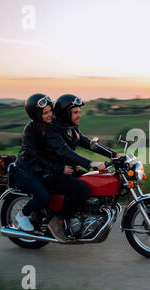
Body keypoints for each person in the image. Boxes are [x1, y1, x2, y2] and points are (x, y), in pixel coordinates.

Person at [41, 94, 115, 242]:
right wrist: (90, 163)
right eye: (75, 112)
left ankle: (82, 216)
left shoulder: (71, 129)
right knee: (82, 189)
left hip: (67, 169)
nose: (79, 115)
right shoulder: (53, 130)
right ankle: (58, 220)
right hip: (50, 172)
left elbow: (89, 144)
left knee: (92, 182)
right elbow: (64, 151)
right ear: (64, 113)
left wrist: (114, 155)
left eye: (79, 112)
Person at [13, 93, 72, 231]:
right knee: (44, 196)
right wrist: (60, 168)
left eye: (50, 110)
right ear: (36, 115)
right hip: (27, 169)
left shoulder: (51, 126)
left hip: (43, 168)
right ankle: (22, 215)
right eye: (45, 113)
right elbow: (37, 158)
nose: (50, 114)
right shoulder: (30, 130)